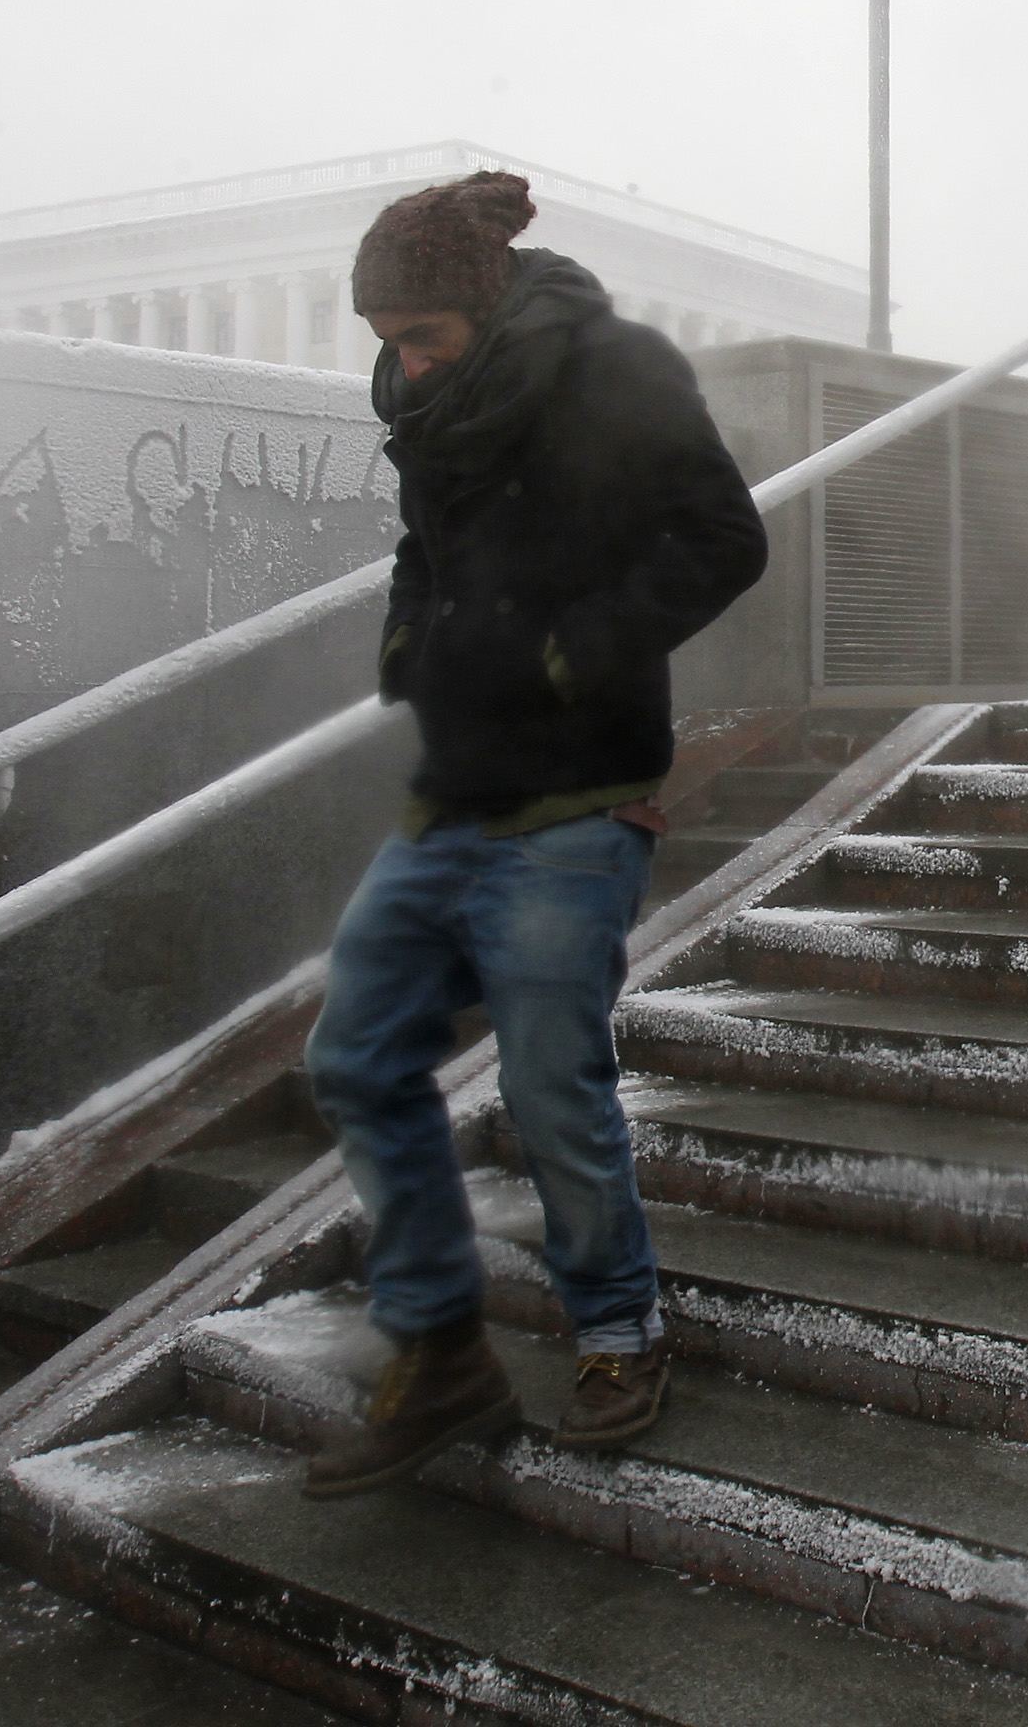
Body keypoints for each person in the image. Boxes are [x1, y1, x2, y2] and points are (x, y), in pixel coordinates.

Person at [301, 170, 769, 1498]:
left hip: (580, 795)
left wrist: (579, 652)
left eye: (418, 335)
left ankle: (619, 1334)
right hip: (459, 790)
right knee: (356, 1052)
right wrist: (410, 642)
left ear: (483, 301)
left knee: (549, 1083)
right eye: (385, 340)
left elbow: (725, 540)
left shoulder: (615, 374)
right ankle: (444, 1354)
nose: (399, 362)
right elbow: (422, 553)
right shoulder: (431, 406)